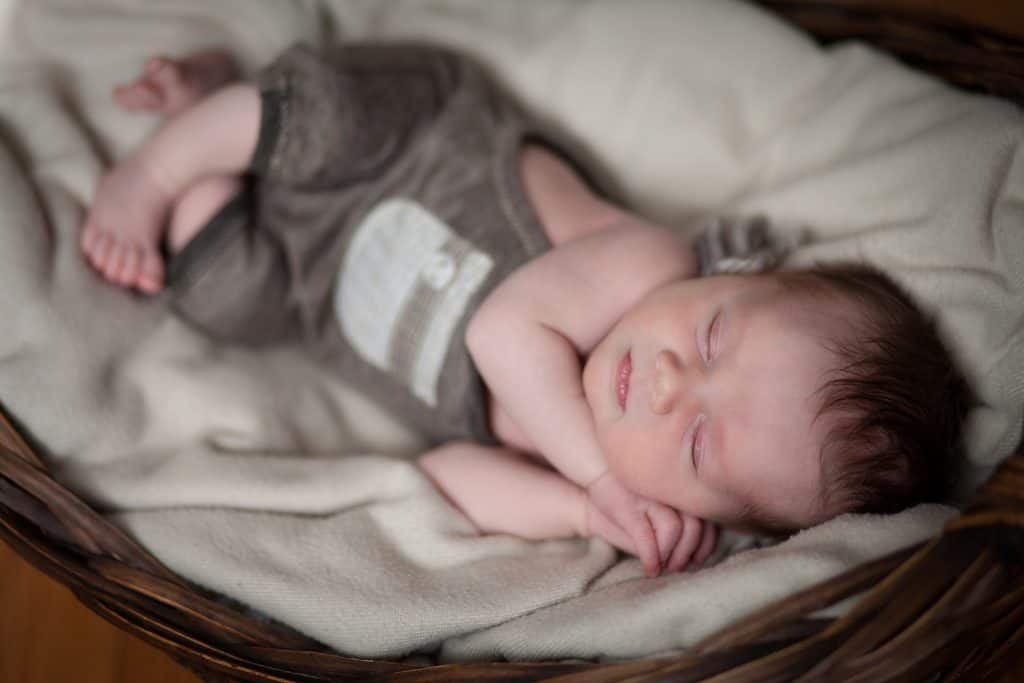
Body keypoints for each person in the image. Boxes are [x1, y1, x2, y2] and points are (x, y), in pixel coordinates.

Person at [79, 44, 971, 577]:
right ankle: (163, 158)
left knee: (222, 295)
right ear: (730, 273)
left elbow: (448, 472)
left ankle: (204, 115)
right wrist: (599, 476)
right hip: (402, 145)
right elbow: (498, 332)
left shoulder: (596, 472)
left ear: (714, 515)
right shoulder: (646, 265)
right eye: (711, 334)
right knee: (321, 115)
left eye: (698, 441)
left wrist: (584, 516)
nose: (668, 380)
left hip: (312, 280)